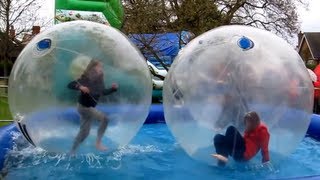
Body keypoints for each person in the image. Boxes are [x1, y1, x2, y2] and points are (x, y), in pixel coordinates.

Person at [68, 59, 118, 154]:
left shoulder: (99, 79)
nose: (101, 69)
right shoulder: (86, 78)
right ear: (93, 68)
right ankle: (98, 143)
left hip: (89, 108)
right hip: (83, 107)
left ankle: (72, 151)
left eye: (101, 67)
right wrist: (81, 87)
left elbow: (102, 92)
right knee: (105, 119)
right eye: (99, 66)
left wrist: (112, 89)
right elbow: (70, 84)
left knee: (84, 133)